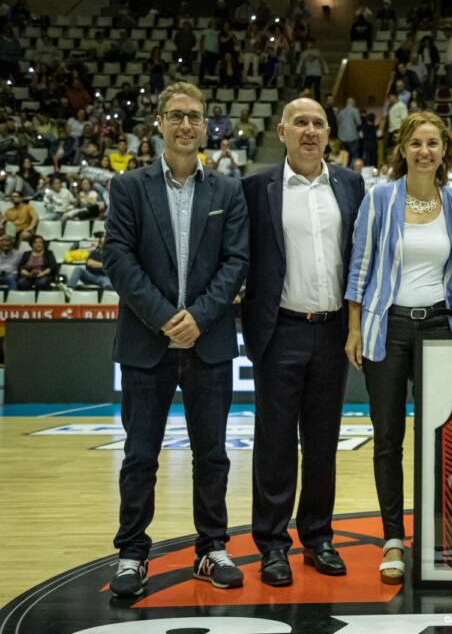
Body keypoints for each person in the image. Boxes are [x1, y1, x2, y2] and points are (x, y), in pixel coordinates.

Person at [101, 81, 250, 598]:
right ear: (159, 124)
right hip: (147, 344)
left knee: (212, 455)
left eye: (195, 116)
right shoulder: (129, 187)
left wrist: (199, 318)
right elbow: (118, 257)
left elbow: (237, 263)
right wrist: (167, 318)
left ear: (207, 125)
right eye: (176, 115)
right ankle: (132, 553)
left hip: (207, 344)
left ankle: (212, 549)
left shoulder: (228, 191)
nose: (186, 124)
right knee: (140, 455)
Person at [344, 111, 452, 585]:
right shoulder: (380, 197)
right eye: (417, 143)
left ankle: (436, 534)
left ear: (444, 151)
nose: (425, 151)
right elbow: (359, 267)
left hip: (438, 333)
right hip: (388, 328)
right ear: (403, 149)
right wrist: (354, 327)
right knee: (388, 438)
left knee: (441, 439)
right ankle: (392, 539)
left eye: (434, 143)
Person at [239, 97, 365, 587]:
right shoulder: (255, 189)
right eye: (301, 123)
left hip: (333, 330)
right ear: (282, 131)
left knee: (322, 443)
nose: (310, 131)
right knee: (274, 444)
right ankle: (272, 545)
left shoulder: (351, 185)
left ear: (329, 133)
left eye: (318, 124)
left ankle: (318, 537)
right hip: (280, 329)